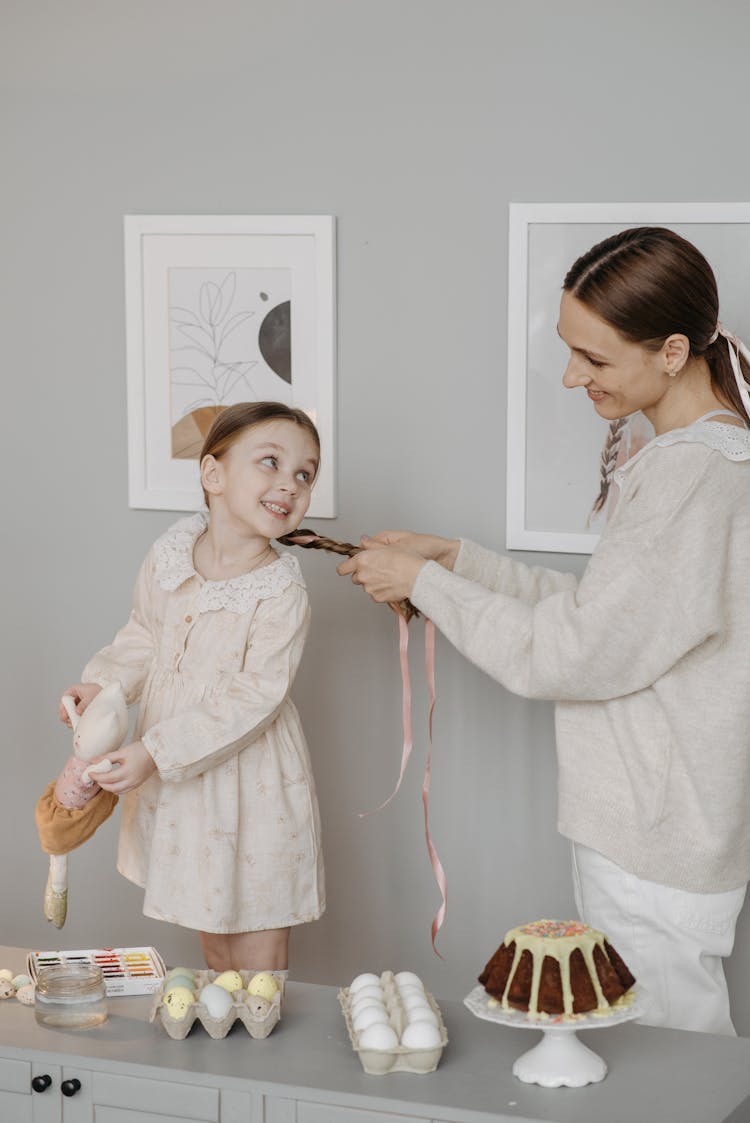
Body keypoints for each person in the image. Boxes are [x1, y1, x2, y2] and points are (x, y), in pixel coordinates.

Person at [338, 227, 750, 1035]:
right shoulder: (705, 459)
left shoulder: (692, 476)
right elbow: (609, 615)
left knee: (671, 1070)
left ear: (672, 351)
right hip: (662, 823)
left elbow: (573, 652)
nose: (571, 377)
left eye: (593, 359)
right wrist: (454, 559)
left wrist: (424, 583)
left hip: (654, 833)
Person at [59, 401, 325, 972]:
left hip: (246, 778)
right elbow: (143, 638)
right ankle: (220, 1014)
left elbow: (254, 697)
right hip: (182, 782)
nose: (291, 484)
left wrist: (154, 751)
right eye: (272, 463)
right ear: (213, 475)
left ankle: (258, 1021)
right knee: (210, 918)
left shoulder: (280, 592)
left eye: (305, 474)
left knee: (253, 918)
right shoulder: (172, 554)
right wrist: (102, 688)